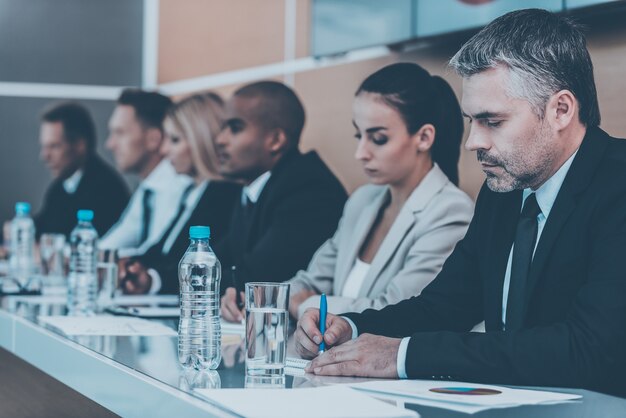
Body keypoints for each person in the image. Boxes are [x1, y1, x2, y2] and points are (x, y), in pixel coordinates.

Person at [295, 9, 626, 397]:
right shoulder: (505, 190)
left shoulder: (617, 186)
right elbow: (444, 307)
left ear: (561, 110)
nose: (474, 142)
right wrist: (349, 328)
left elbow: (589, 349)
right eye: (471, 121)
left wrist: (403, 355)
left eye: (493, 121)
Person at [274, 63, 473, 321]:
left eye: (378, 138)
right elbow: (309, 281)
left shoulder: (450, 211)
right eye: (359, 136)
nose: (361, 153)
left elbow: (395, 311)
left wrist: (307, 306)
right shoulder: (362, 200)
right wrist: (274, 298)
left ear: (424, 138)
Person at [218, 81, 347, 321]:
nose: (220, 140)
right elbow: (220, 262)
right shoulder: (253, 187)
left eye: (235, 128)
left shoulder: (308, 187)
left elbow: (260, 279)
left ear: (275, 140)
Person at [119, 92, 240, 295]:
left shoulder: (225, 196)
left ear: (200, 141)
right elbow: (162, 251)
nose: (164, 150)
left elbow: (201, 265)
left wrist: (150, 277)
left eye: (174, 140)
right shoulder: (191, 192)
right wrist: (131, 266)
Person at [100, 89, 192, 256]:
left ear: (153, 139)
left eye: (120, 133)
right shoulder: (148, 189)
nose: (110, 144)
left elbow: (158, 254)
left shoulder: (180, 184)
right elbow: (120, 237)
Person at [35, 101, 129, 237]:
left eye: (54, 146)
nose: (44, 156)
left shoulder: (108, 190)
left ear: (80, 145)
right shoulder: (59, 187)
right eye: (44, 147)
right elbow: (42, 225)